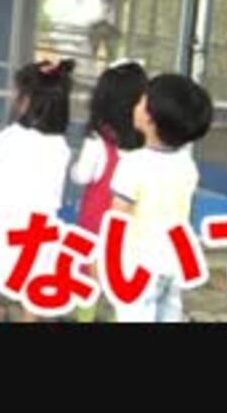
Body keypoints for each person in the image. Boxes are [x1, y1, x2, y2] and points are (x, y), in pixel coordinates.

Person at [0, 59, 76, 323]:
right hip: (43, 231)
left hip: (9, 228)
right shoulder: (61, 146)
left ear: (27, 100)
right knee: (33, 297)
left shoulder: (7, 139)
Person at [110, 73, 213, 323]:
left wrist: (106, 260)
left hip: (139, 265)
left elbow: (118, 216)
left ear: (149, 118)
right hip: (173, 260)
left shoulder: (133, 164)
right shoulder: (187, 164)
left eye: (141, 101)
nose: (135, 105)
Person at [70, 59, 148, 323]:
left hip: (95, 222)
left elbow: (82, 175)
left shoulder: (98, 140)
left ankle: (85, 318)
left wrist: (72, 168)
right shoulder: (146, 144)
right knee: (121, 275)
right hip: (130, 223)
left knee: (89, 277)